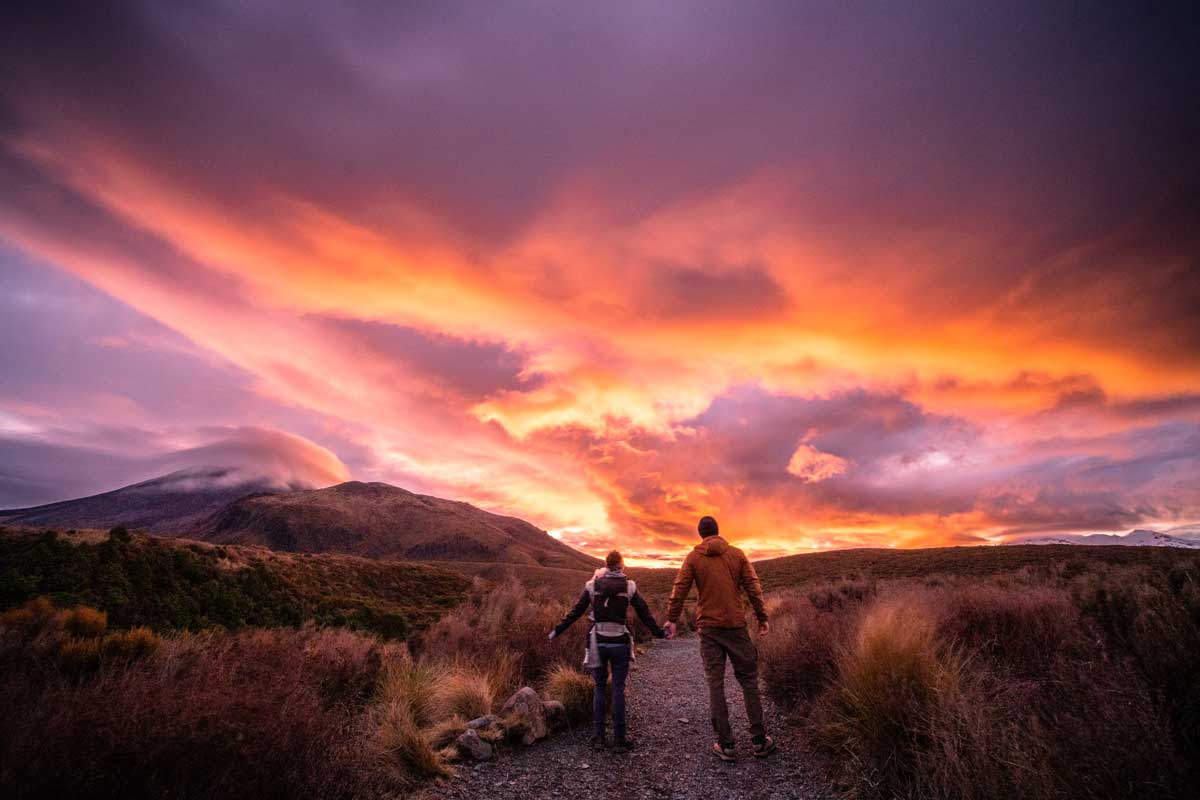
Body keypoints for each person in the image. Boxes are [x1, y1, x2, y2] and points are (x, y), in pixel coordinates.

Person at [663, 515, 776, 761]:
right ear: (717, 531)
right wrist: (762, 616)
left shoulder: (693, 558)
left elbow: (679, 588)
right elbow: (753, 587)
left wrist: (672, 619)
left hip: (709, 629)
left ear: (701, 534)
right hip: (736, 626)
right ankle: (759, 740)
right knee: (748, 680)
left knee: (715, 683)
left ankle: (726, 745)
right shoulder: (737, 555)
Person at [549, 549, 666, 753]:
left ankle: (599, 738)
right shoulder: (629, 587)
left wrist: (556, 631)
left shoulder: (592, 586)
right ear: (621, 565)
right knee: (618, 689)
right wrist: (660, 633)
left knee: (600, 687)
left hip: (598, 643)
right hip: (620, 643)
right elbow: (645, 613)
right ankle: (620, 740)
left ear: (606, 565)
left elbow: (575, 612)